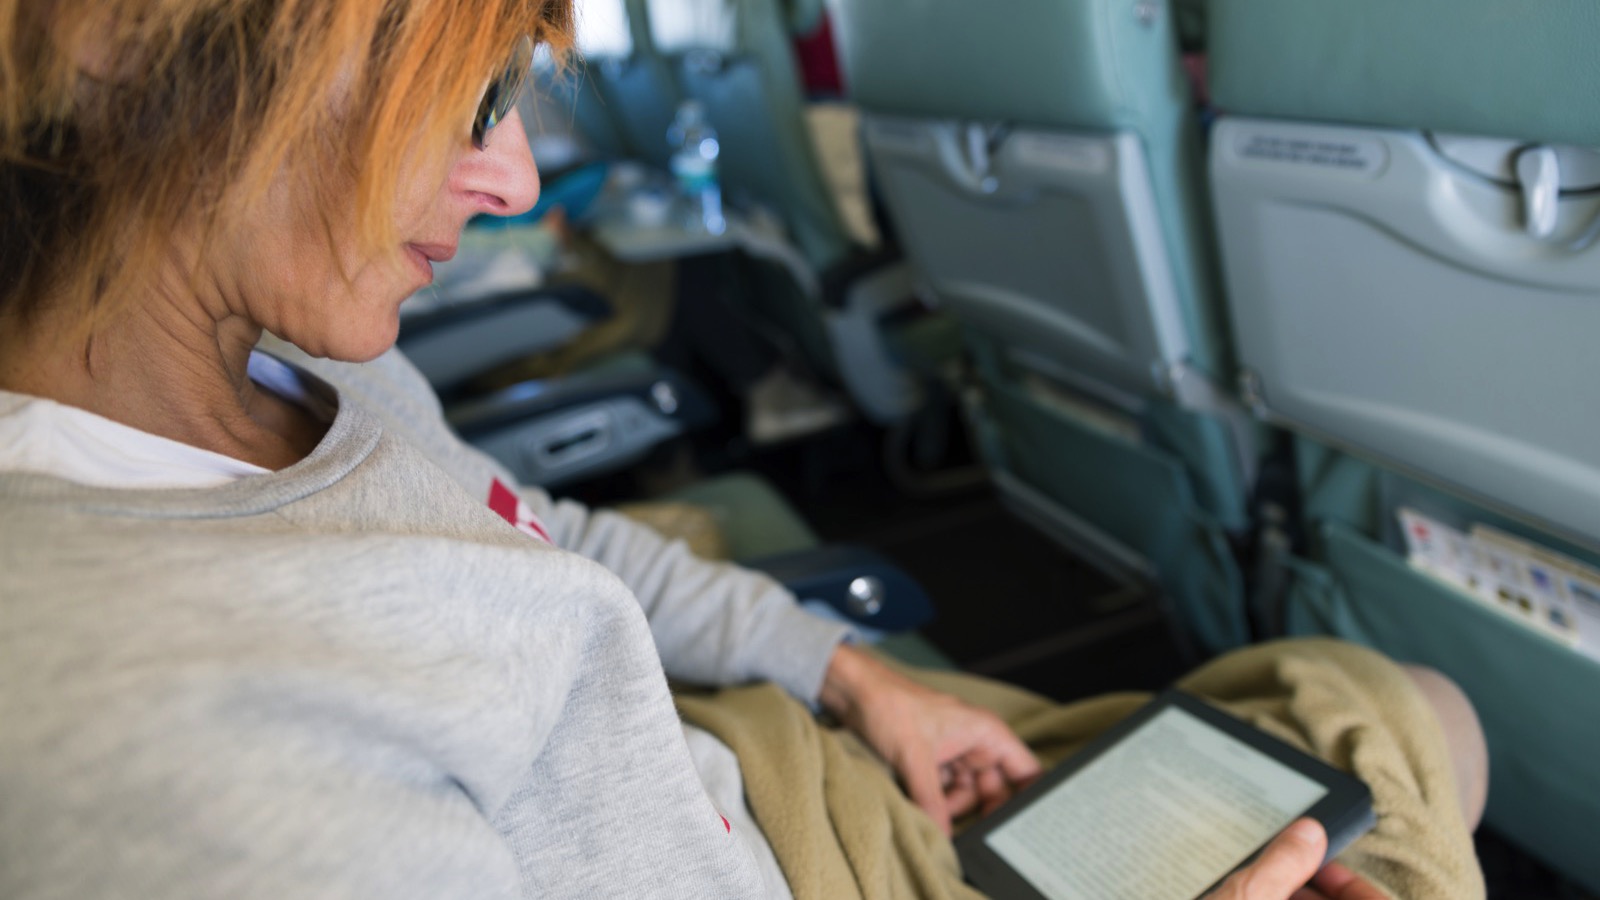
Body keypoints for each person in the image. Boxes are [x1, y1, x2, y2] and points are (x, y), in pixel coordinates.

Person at [0, 1, 1486, 898]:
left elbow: (545, 541)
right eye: (465, 97)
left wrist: (857, 679)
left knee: (1368, 717)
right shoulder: (144, 738)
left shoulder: (298, 369)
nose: (514, 175)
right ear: (123, 39)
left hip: (766, 772)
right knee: (1396, 729)